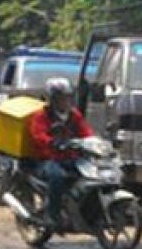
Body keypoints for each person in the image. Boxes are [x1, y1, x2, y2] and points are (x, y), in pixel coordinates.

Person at [29, 77, 94, 228]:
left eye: (68, 97)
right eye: (61, 98)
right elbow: (38, 135)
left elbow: (86, 131)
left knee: (90, 175)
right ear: (52, 100)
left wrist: (93, 143)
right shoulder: (41, 116)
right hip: (48, 160)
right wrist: (52, 142)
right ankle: (53, 215)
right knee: (57, 177)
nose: (65, 101)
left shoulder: (74, 115)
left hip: (71, 157)